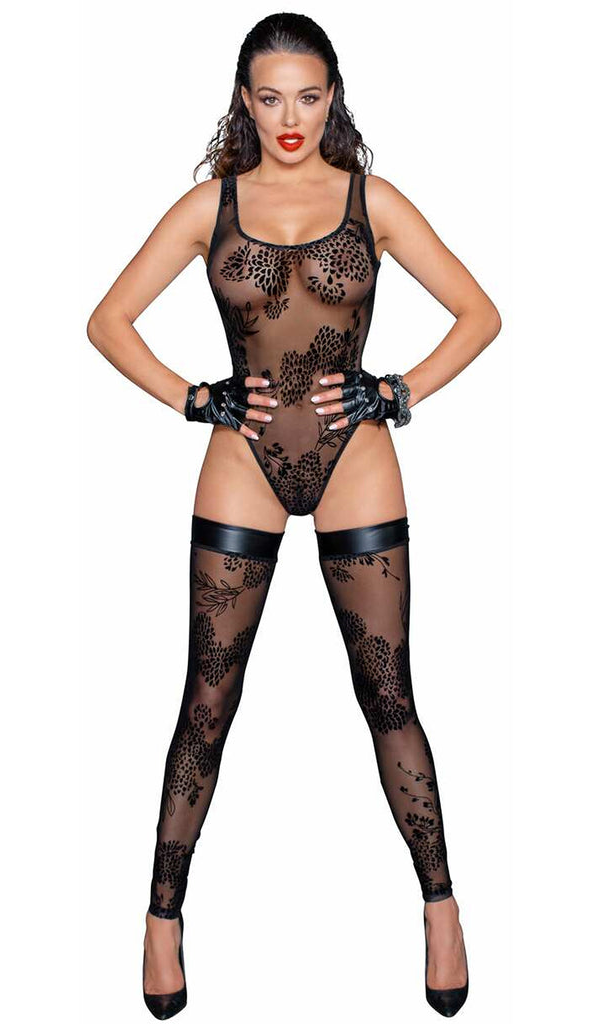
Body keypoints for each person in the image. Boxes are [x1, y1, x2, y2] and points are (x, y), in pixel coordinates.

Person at [87, 12, 501, 1019]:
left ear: (332, 98)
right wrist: (196, 398)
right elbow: (106, 321)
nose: (289, 117)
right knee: (208, 697)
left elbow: (480, 313)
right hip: (245, 459)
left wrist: (395, 390)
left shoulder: (371, 200)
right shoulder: (211, 204)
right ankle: (160, 918)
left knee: (387, 694)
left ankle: (441, 908)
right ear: (243, 98)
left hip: (355, 457)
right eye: (270, 96)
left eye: (308, 97)